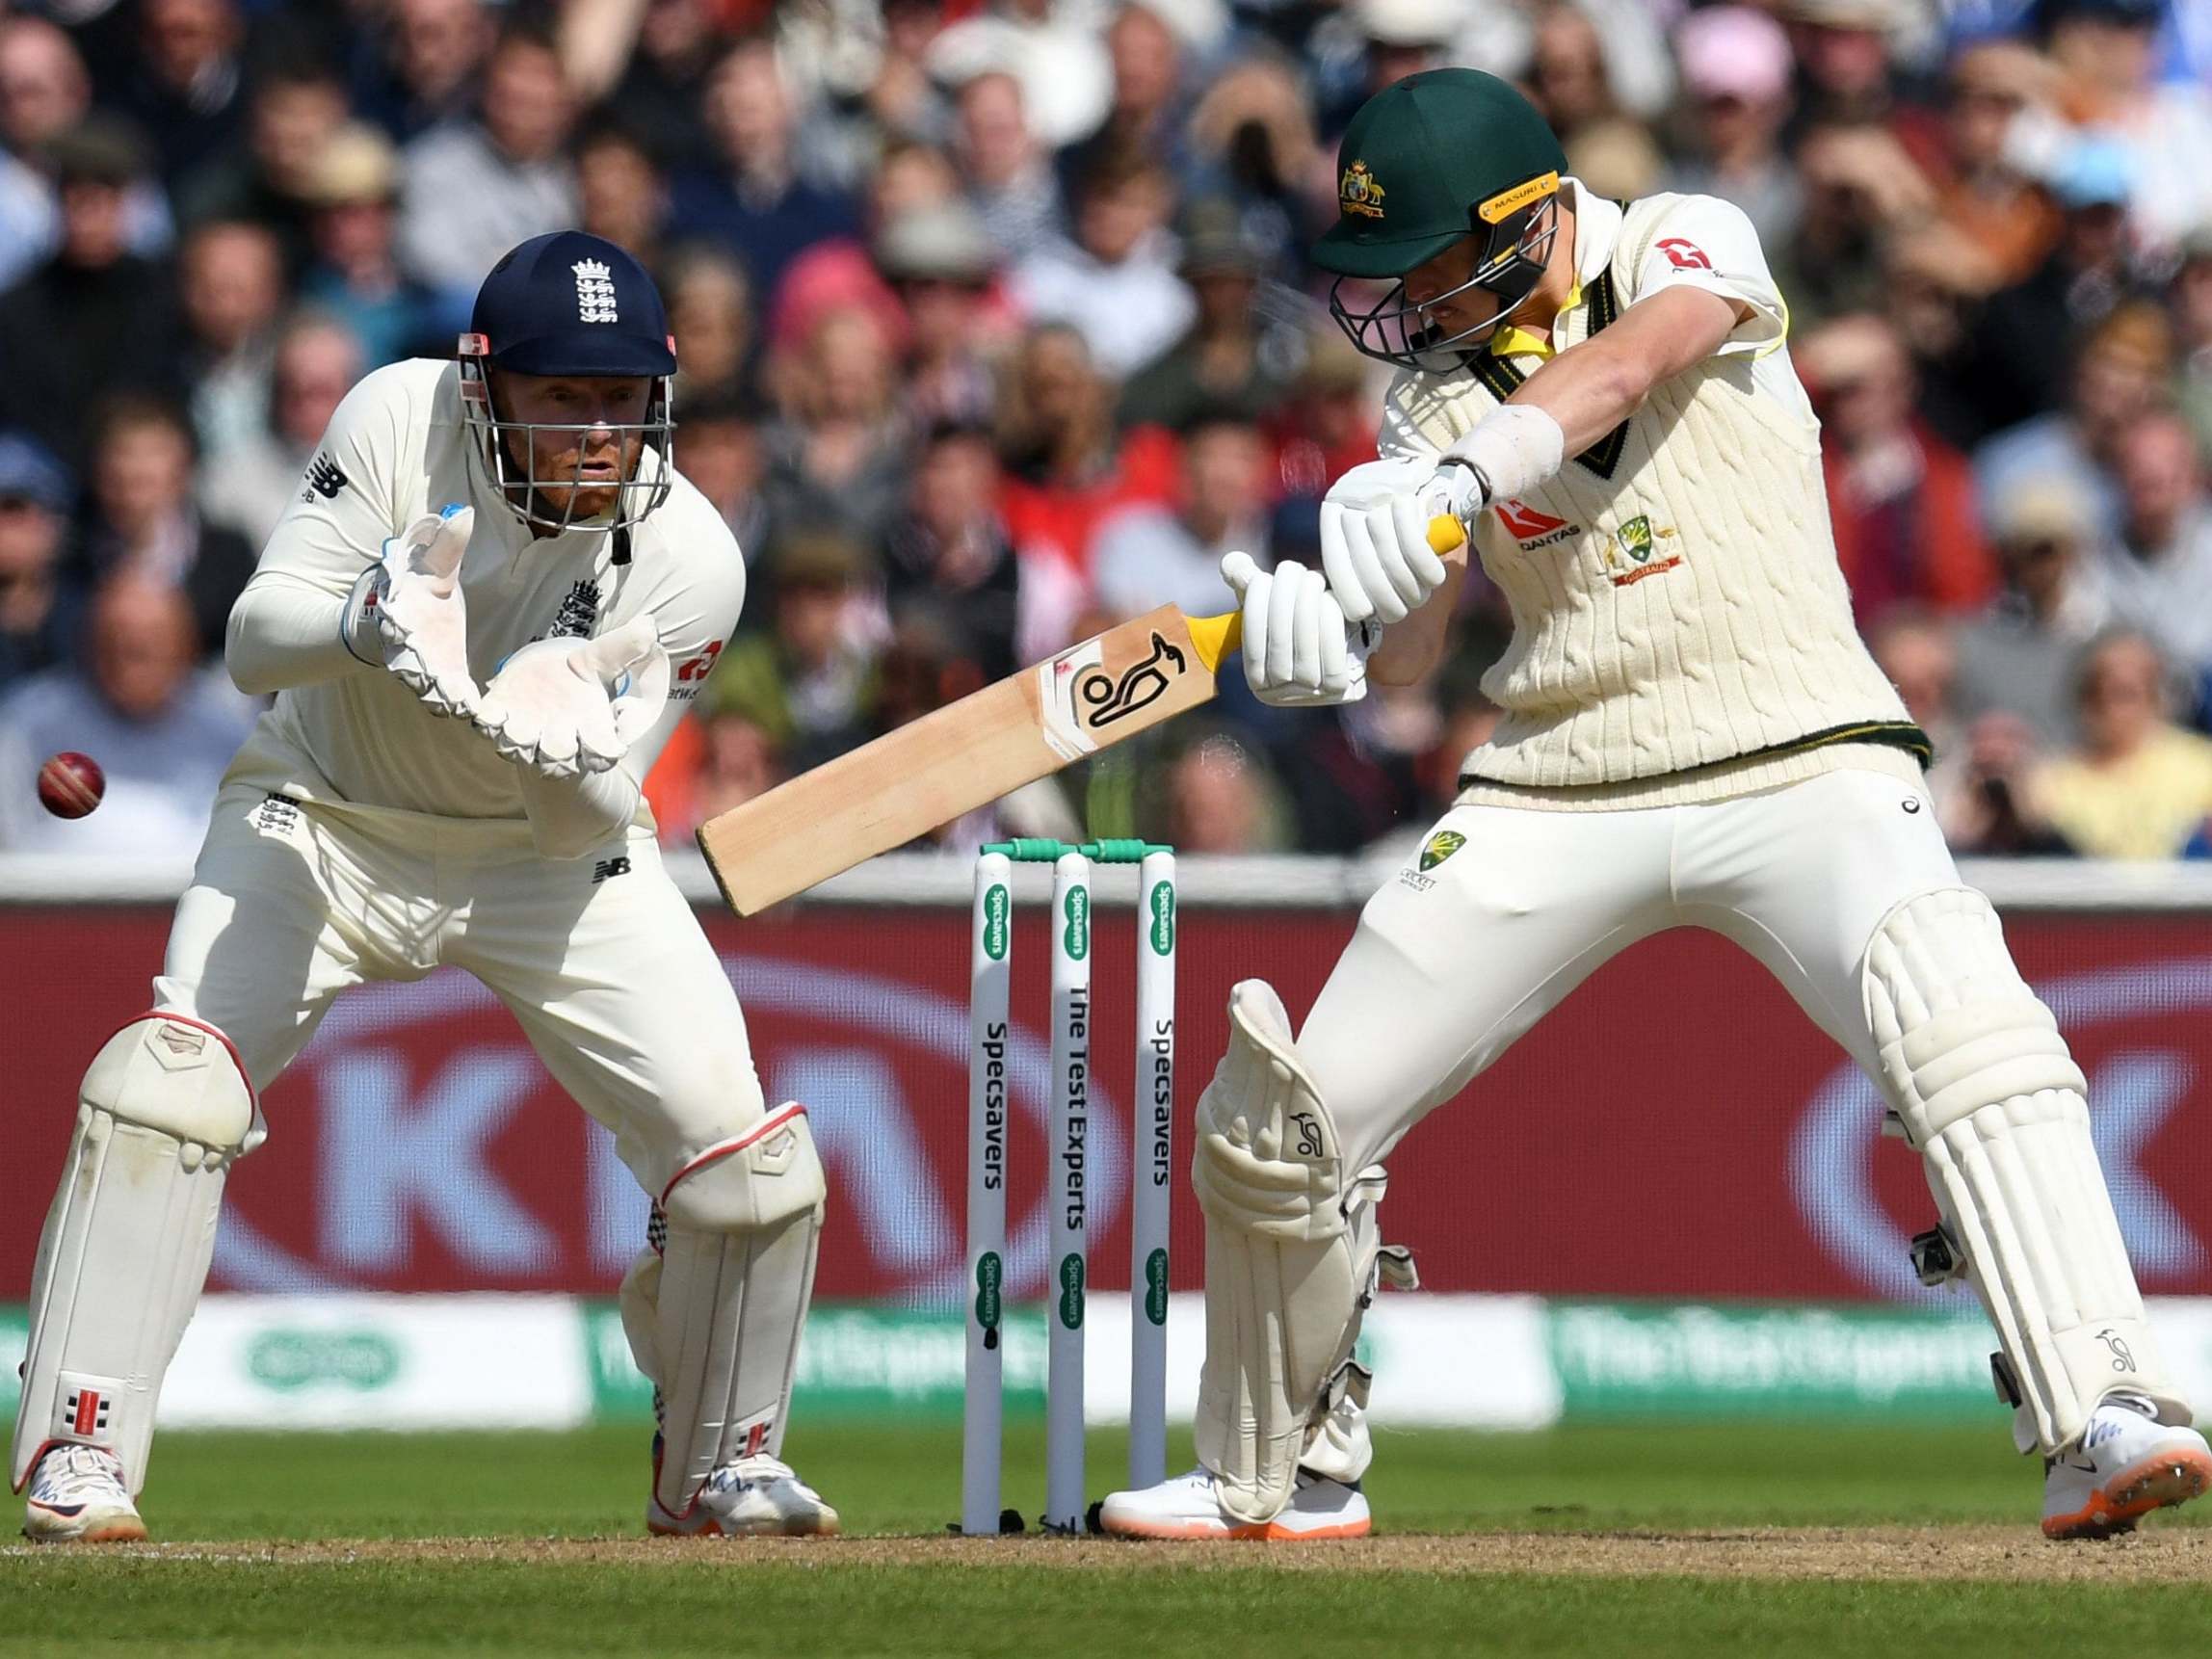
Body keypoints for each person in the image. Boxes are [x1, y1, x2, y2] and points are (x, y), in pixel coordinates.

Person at [1098, 68, 2209, 1545]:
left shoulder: (1682, 237)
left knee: (1964, 1023)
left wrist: (1455, 475)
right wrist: (1342, 633)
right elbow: (1424, 637)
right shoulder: (1428, 388)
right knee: (1282, 1119)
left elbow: (1634, 362)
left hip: (1800, 749)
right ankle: (1275, 1470)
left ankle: (2103, 1406)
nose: (1409, 303)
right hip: (1556, 781)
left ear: (1526, 219)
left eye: (1429, 262)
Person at [11, 231, 838, 1544]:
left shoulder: (692, 557)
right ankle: (80, 1449)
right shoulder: (400, 414)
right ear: (484, 387)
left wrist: (564, 757)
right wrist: (365, 623)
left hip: (546, 859)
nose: (596, 434)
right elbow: (249, 639)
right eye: (563, 399)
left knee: (752, 1166)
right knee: (165, 1084)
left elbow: (590, 805)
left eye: (622, 401)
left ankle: (723, 1465)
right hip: (324, 818)